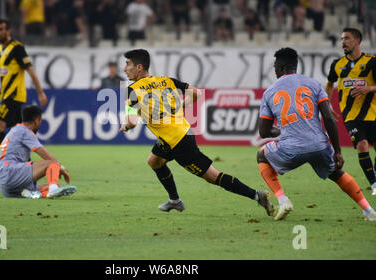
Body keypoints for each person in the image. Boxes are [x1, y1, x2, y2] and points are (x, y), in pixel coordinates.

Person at [119, 49, 274, 215]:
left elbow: (132, 122)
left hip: (178, 143)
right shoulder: (165, 81)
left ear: (139, 67)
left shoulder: (132, 90)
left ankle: (257, 195)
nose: (124, 68)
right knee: (154, 161)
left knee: (212, 176)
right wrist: (183, 105)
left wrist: (126, 126)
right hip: (180, 133)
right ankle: (175, 200)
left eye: (128, 64)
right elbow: (196, 93)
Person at [258, 47, 376, 221]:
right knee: (336, 172)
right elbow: (328, 118)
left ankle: (283, 201)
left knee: (261, 155)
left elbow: (264, 131)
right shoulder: (313, 84)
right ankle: (368, 211)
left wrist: (282, 130)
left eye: (275, 65)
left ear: (281, 66)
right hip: (319, 145)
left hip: (291, 148)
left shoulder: (269, 92)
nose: (274, 69)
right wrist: (337, 151)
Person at [0, 18, 48, 148]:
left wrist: (40, 92)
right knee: (18, 132)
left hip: (14, 95)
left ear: (8, 31)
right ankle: (24, 163)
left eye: (0, 29)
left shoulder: (17, 48)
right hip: (5, 96)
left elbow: (30, 70)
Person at [0, 105, 76, 199]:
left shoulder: (12, 133)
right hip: (13, 173)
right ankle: (52, 190)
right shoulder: (26, 132)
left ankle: (35, 194)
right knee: (52, 163)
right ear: (37, 121)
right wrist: (61, 169)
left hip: (5, 187)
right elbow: (48, 158)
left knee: (52, 185)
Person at [325, 28, 376, 195]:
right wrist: (327, 104)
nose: (343, 42)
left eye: (347, 38)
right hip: (351, 115)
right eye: (341, 39)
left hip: (372, 113)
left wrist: (368, 88)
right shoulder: (337, 65)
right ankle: (374, 184)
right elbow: (330, 84)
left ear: (357, 40)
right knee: (362, 145)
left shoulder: (371, 62)